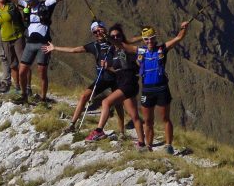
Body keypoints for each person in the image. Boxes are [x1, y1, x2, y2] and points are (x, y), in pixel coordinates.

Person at [77, 24, 145, 148]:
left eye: (118, 36)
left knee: (106, 102)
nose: (115, 38)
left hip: (129, 82)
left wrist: (107, 35)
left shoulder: (126, 48)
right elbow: (117, 69)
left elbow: (131, 54)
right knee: (134, 115)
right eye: (113, 36)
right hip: (123, 83)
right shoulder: (113, 50)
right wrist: (108, 67)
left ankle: (99, 131)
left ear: (122, 36)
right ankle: (142, 143)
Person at [42, 21, 118, 129]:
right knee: (84, 96)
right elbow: (74, 50)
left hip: (118, 77)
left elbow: (126, 45)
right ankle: (72, 124)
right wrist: (55, 48)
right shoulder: (94, 46)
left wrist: (107, 36)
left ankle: (122, 132)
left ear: (104, 29)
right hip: (103, 78)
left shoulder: (115, 41)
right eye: (95, 32)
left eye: (99, 30)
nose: (98, 33)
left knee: (119, 106)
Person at [14, 0, 80, 104]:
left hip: (43, 44)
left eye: (29, 1)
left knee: (42, 73)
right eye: (25, 1)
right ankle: (23, 95)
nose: (27, 4)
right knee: (22, 71)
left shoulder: (46, 4)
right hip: (29, 44)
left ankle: (43, 99)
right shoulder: (25, 5)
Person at [134, 23, 190, 155]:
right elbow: (121, 45)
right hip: (147, 90)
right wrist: (108, 37)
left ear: (155, 38)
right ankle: (148, 146)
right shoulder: (139, 51)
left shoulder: (162, 48)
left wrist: (184, 28)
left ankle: (168, 146)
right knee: (148, 121)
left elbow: (178, 38)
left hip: (162, 89)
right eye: (146, 39)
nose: (149, 41)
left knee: (165, 118)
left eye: (152, 38)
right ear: (143, 40)